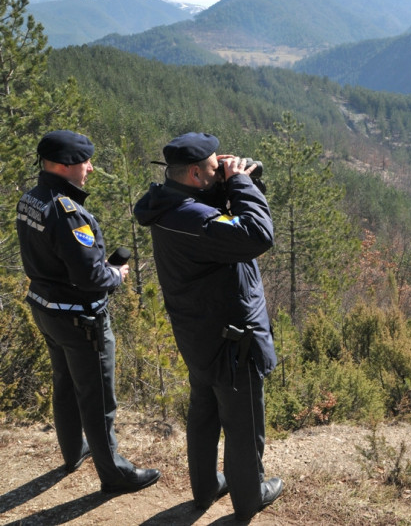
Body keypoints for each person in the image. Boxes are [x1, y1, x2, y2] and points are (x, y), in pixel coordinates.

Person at [133, 132, 282, 521]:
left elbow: (208, 214)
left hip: (197, 334)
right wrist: (242, 183)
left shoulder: (168, 206)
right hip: (232, 339)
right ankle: (250, 497)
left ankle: (204, 487)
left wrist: (229, 182)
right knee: (244, 422)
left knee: (203, 410)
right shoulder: (195, 220)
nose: (224, 171)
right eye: (216, 168)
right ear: (196, 175)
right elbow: (258, 235)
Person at [16, 130, 161, 493]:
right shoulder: (68, 213)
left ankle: (73, 452)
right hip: (80, 318)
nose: (91, 169)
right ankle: (114, 475)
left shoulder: (31, 199)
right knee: (98, 397)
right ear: (65, 166)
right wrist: (116, 274)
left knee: (64, 383)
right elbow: (90, 276)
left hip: (46, 309)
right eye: (85, 162)